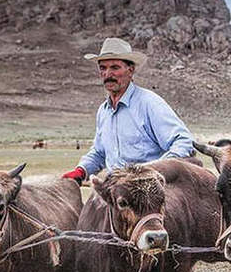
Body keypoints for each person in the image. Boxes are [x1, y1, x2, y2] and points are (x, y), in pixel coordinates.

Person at [62, 37, 194, 183]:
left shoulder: (149, 103)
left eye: (115, 67)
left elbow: (183, 141)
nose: (107, 74)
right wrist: (81, 171)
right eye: (103, 68)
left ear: (130, 70)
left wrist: (155, 171)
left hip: (148, 190)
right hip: (116, 189)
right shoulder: (103, 111)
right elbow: (99, 153)